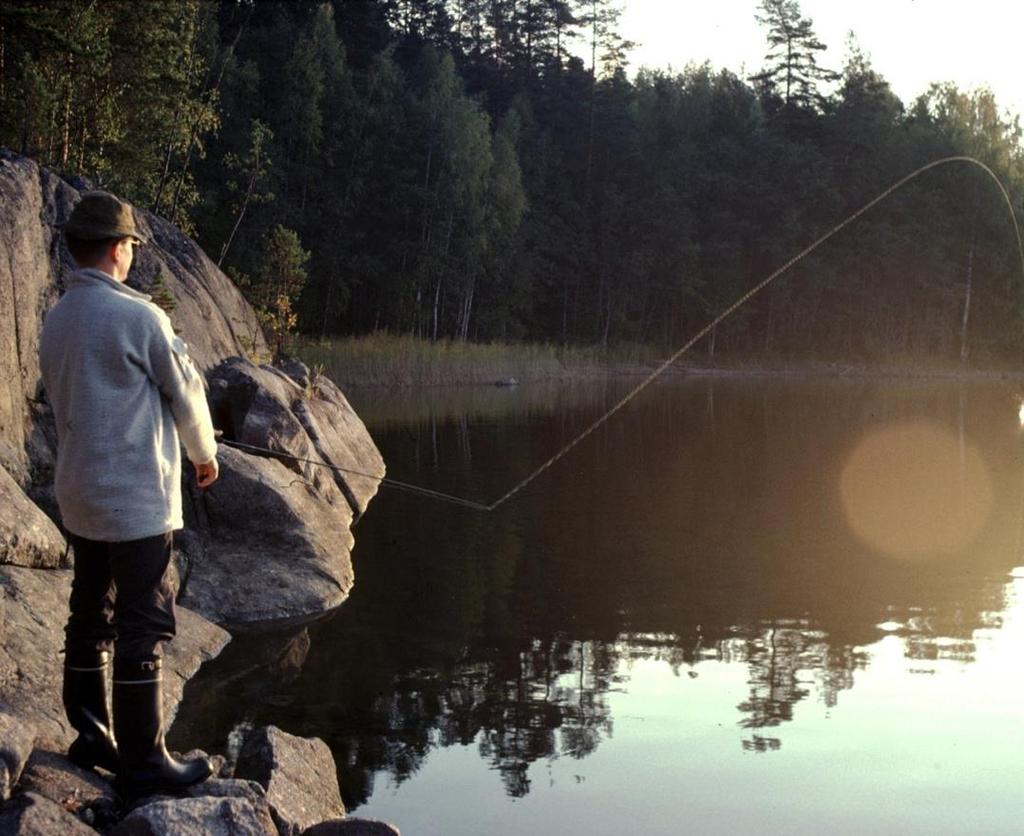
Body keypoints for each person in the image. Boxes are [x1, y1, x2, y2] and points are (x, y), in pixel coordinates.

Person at [39, 191, 219, 798]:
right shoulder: (142, 318)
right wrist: (205, 456)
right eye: (130, 246)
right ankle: (145, 762)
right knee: (144, 621)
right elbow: (187, 398)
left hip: (80, 496)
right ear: (119, 249)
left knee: (89, 613)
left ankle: (93, 738)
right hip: (137, 501)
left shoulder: (58, 316)